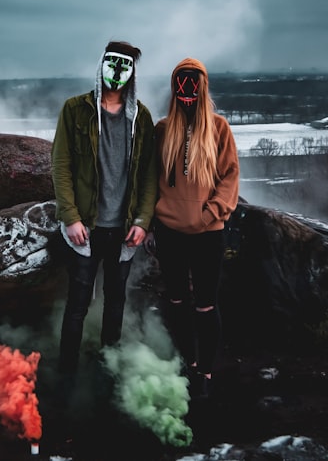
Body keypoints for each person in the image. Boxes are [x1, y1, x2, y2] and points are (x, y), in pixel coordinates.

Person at [51, 40, 158, 385]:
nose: (116, 71)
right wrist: (70, 217)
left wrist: (142, 221)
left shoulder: (140, 117)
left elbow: (148, 176)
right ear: (101, 66)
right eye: (111, 63)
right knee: (78, 302)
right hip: (86, 227)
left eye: (124, 65)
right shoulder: (75, 110)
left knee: (115, 303)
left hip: (123, 230)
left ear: (132, 73)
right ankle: (67, 374)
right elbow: (61, 165)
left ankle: (107, 373)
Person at [151, 57, 239, 399]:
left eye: (192, 84)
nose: (186, 91)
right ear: (175, 88)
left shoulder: (218, 128)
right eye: (180, 84)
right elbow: (150, 178)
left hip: (208, 233)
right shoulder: (162, 129)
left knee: (205, 304)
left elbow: (230, 176)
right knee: (176, 301)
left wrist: (212, 213)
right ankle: (185, 363)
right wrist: (155, 215)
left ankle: (205, 371)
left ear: (202, 87)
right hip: (170, 232)